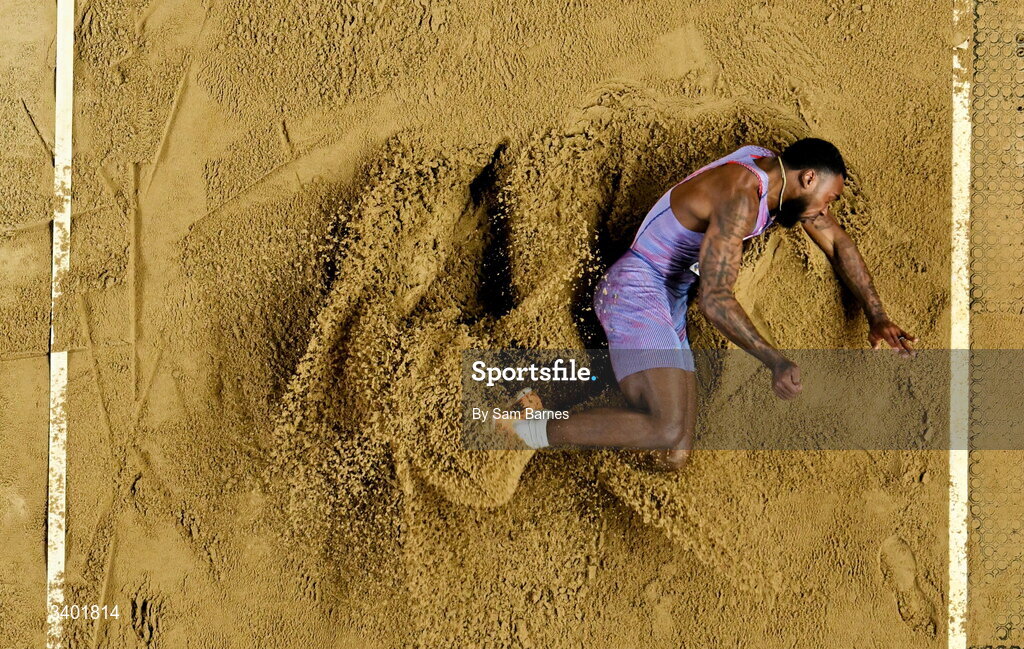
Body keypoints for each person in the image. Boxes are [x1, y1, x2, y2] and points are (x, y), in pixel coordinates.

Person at [499, 138, 917, 471]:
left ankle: (552, 406)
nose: (827, 210)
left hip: (669, 301)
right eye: (829, 198)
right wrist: (774, 360)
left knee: (672, 455)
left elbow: (839, 244)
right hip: (636, 289)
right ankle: (527, 428)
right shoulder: (740, 195)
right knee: (665, 426)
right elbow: (715, 301)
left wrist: (877, 316)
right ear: (808, 178)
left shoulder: (779, 178)